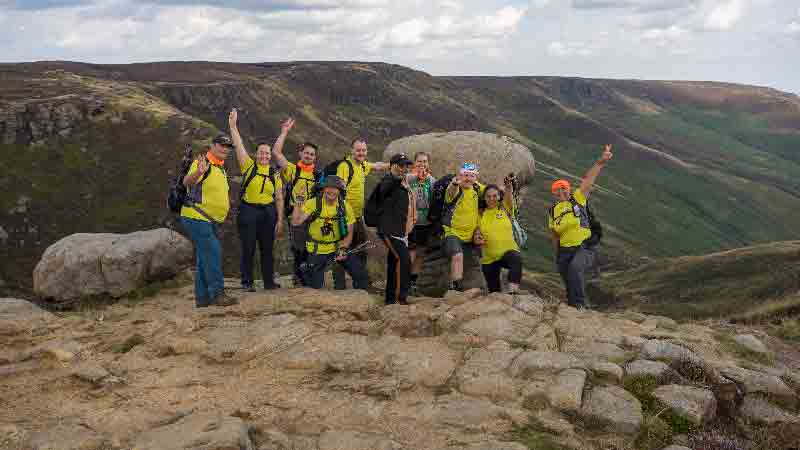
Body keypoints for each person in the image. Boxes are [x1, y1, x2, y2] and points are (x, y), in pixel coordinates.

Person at [549, 144, 613, 309]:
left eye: (563, 188)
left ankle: (580, 305)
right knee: (567, 277)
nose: (561, 191)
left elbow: (588, 181)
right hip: (564, 250)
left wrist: (600, 163)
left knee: (575, 270)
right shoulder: (553, 210)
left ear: (569, 189)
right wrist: (557, 254)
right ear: (554, 193)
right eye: (557, 189)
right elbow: (555, 234)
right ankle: (572, 306)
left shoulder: (578, 198)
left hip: (583, 246)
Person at [229, 109, 285, 292]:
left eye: (267, 154)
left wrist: (280, 219)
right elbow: (239, 145)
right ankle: (247, 282)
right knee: (248, 247)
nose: (264, 156)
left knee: (267, 249)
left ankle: (269, 282)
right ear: (256, 154)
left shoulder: (273, 173)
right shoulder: (248, 166)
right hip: (249, 211)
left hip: (268, 212)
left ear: (270, 156)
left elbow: (278, 197)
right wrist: (233, 126)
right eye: (261, 153)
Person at [180, 134, 238, 307]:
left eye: (228, 147)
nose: (225, 149)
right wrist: (199, 171)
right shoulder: (203, 163)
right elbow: (186, 182)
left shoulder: (220, 167)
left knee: (204, 257)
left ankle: (202, 298)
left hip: (208, 220)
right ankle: (217, 294)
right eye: (222, 145)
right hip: (196, 217)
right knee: (213, 252)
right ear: (212, 145)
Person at [291, 175, 369, 290]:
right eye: (328, 187)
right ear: (323, 189)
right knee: (315, 287)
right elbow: (296, 222)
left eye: (335, 188)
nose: (331, 190)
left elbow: (349, 232)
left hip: (336, 248)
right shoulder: (313, 203)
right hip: (317, 250)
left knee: (360, 273)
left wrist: (343, 249)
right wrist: (298, 202)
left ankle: (360, 297)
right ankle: (306, 270)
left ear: (339, 191)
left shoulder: (345, 207)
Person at [269, 118, 322, 287]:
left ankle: (307, 277)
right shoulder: (293, 170)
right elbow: (276, 153)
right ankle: (299, 278)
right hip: (295, 214)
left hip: (312, 216)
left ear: (315, 157)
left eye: (312, 154)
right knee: (298, 248)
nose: (309, 156)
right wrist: (284, 131)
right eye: (306, 153)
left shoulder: (318, 175)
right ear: (301, 154)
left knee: (312, 247)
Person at [331, 137, 390, 289]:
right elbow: (337, 189)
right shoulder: (345, 166)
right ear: (352, 151)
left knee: (361, 250)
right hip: (343, 217)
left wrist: (393, 165)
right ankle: (340, 286)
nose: (361, 153)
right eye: (358, 150)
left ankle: (361, 284)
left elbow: (377, 166)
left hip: (357, 216)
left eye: (363, 150)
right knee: (342, 249)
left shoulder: (363, 165)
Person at [375, 154, 416, 305]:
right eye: (400, 165)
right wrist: (394, 174)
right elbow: (385, 189)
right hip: (388, 230)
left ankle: (390, 299)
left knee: (394, 262)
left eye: (406, 166)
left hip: (399, 231)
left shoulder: (403, 181)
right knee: (403, 260)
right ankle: (400, 299)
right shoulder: (388, 181)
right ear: (392, 166)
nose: (403, 169)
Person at [474, 177, 522, 294]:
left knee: (516, 259)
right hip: (488, 259)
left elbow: (509, 195)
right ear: (484, 198)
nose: (492, 199)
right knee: (494, 291)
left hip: (507, 252)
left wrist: (508, 186)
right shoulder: (479, 215)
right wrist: (477, 241)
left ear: (499, 196)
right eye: (488, 196)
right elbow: (476, 236)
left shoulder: (505, 208)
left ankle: (512, 293)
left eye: (495, 196)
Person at [443, 162, 485, 292]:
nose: (468, 178)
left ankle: (469, 289)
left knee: (475, 263)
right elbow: (450, 192)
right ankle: (455, 287)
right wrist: (455, 183)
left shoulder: (477, 190)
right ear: (460, 175)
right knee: (457, 256)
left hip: (470, 236)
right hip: (452, 232)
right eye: (465, 175)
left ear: (476, 178)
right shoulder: (457, 189)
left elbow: (492, 191)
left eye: (471, 176)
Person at [407, 152, 436, 296]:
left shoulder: (431, 180)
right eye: (419, 161)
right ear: (414, 163)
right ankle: (404, 280)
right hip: (410, 222)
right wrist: (417, 177)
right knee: (410, 252)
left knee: (421, 253)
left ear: (428, 163)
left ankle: (413, 281)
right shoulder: (408, 178)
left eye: (425, 161)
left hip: (426, 223)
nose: (422, 164)